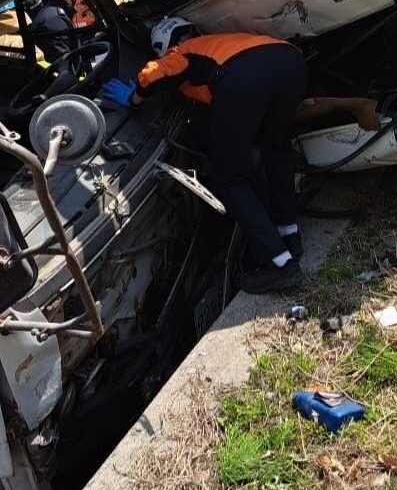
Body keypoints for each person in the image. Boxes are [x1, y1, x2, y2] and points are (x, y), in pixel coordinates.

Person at [101, 17, 307, 294]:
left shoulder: (184, 51)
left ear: (167, 45)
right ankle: (290, 237)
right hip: (290, 63)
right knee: (276, 151)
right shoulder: (221, 42)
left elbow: (154, 73)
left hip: (244, 80)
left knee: (230, 178)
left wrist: (134, 97)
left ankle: (280, 266)